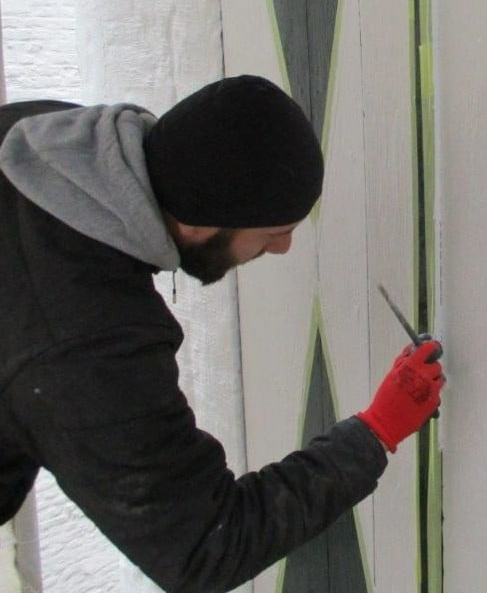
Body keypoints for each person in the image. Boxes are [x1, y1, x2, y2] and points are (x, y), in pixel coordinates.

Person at [0, 75, 445, 593]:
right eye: (274, 233)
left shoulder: (42, 139)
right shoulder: (84, 349)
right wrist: (377, 429)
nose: (282, 249)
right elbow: (207, 545)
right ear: (199, 224)